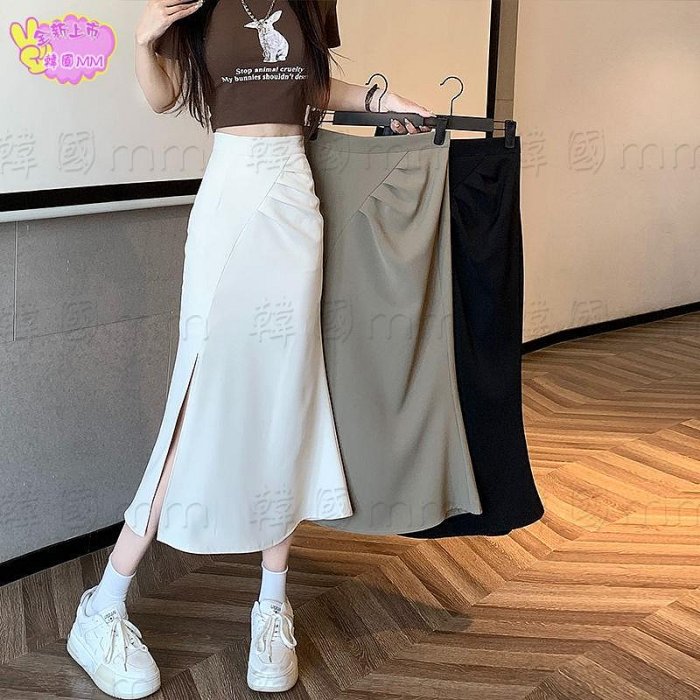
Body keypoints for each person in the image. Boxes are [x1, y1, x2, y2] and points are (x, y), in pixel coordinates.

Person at [65, 1, 434, 697]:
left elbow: (308, 86)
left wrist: (384, 101)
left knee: (287, 396)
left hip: (295, 195)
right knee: (198, 394)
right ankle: (102, 607)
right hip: (232, 195)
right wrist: (143, 42)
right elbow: (164, 95)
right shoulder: (198, 3)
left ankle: (271, 605)